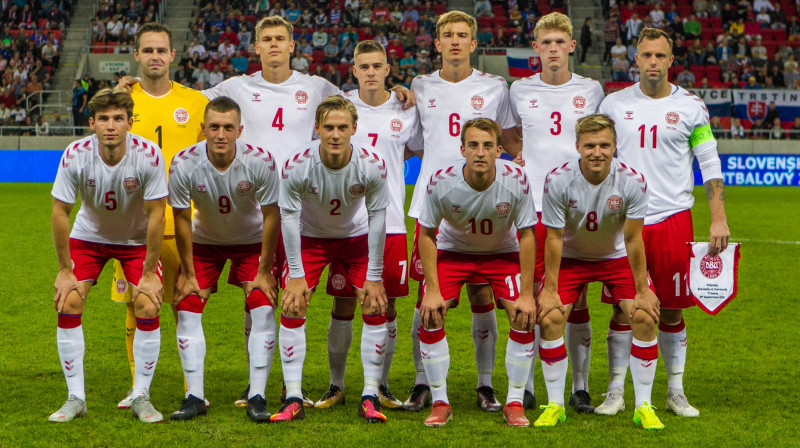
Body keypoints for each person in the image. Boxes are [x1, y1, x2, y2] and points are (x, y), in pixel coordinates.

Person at [598, 28, 730, 417]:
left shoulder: (691, 106)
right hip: (624, 222)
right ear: (634, 59)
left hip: (673, 219)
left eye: (660, 55)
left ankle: (675, 391)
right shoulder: (613, 105)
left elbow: (709, 162)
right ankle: (615, 391)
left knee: (672, 309)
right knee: (624, 309)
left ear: (671, 61)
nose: (652, 62)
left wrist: (718, 218)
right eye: (646, 55)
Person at [405, 10, 519, 414]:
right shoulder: (420, 85)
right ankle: (422, 383)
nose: (455, 41)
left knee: (482, 293)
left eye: (462, 35)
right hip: (433, 204)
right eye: (447, 35)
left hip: (483, 200)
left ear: (473, 44)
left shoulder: (495, 86)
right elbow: (415, 141)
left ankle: (485, 386)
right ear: (436, 43)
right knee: (427, 296)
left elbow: (508, 137)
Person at [534, 113, 662, 430]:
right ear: (577, 146)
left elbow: (633, 238)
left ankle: (644, 406)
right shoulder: (557, 179)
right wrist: (549, 289)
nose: (597, 152)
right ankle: (555, 405)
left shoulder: (633, 181)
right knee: (549, 316)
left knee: (645, 316)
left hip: (615, 256)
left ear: (615, 147)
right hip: (572, 257)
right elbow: (553, 236)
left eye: (604, 145)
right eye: (590, 145)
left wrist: (643, 289)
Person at [48, 89, 167, 424]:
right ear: (92, 123)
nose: (111, 126)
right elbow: (60, 212)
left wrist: (149, 272)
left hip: (136, 241)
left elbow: (157, 214)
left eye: (118, 118)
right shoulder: (75, 155)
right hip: (89, 238)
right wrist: (64, 269)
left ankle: (141, 395)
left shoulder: (149, 155)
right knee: (68, 300)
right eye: (103, 119)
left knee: (146, 303)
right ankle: (76, 398)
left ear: (130, 122)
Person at [270, 95, 390, 423]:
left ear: (354, 128)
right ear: (317, 129)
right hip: (310, 239)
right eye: (328, 128)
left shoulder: (373, 163)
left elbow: (378, 218)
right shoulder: (296, 164)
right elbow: (289, 220)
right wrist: (295, 274)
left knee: (375, 304)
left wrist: (375, 275)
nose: (335, 134)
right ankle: (293, 396)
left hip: (355, 240)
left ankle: (369, 394)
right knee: (293, 304)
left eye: (341, 127)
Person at [508, 11, 605, 414]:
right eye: (545, 43)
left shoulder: (592, 89)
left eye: (558, 43)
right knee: (528, 299)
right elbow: (510, 131)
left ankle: (579, 387)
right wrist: (518, 154)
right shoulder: (519, 90)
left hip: (578, 210)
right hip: (531, 209)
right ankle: (526, 385)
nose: (552, 49)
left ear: (570, 46)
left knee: (576, 301)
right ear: (536, 48)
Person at [317, 40, 421, 410]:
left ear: (388, 69)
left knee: (385, 306)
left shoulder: (406, 109)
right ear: (355, 71)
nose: (372, 72)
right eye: (365, 66)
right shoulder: (342, 107)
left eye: (378, 66)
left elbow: (416, 150)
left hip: (390, 221)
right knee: (343, 303)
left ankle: (380, 386)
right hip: (346, 224)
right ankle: (336, 385)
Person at [417, 118, 538, 427]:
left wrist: (526, 294)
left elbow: (527, 235)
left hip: (501, 253)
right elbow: (426, 234)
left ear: (499, 150)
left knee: (523, 315)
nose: (480, 152)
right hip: (453, 251)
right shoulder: (440, 181)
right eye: (473, 145)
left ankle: (514, 401)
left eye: (487, 146)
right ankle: (440, 401)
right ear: (463, 150)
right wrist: (431, 290)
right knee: (430, 312)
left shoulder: (518, 179)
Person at [113, 22, 209, 409]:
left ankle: (193, 389)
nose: (154, 56)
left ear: (172, 56)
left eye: (161, 50)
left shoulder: (197, 101)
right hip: (133, 228)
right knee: (137, 311)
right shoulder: (121, 102)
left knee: (185, 310)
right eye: (147, 50)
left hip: (185, 226)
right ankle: (139, 388)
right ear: (136, 55)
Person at [167, 97, 280, 422]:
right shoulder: (184, 162)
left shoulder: (260, 161)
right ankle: (195, 396)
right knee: (187, 304)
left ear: (239, 130)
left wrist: (263, 270)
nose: (220, 134)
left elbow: (272, 215)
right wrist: (188, 272)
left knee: (262, 303)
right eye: (214, 126)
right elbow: (182, 218)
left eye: (228, 127)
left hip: (251, 242)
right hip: (205, 243)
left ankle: (257, 396)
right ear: (202, 128)